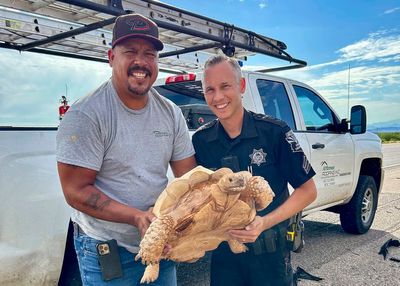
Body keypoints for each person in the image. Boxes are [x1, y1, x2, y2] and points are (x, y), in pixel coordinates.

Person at [56, 13, 196, 286]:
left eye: (149, 54)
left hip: (159, 244)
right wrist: (137, 218)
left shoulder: (171, 113)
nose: (141, 62)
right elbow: (75, 191)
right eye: (130, 51)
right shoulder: (87, 114)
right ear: (111, 57)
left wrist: (182, 225)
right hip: (107, 249)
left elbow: (189, 179)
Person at [192, 54, 317, 286]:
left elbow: (308, 191)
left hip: (270, 257)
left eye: (225, 86)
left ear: (241, 86)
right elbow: (195, 199)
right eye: (210, 89)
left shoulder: (274, 132)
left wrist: (264, 222)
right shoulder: (202, 141)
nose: (218, 97)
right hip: (224, 258)